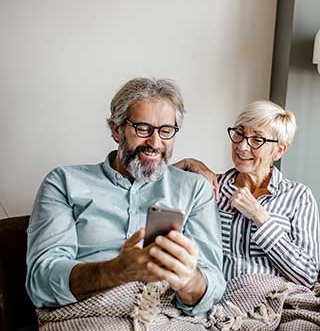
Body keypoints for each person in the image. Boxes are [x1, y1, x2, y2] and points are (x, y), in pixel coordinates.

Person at [26, 77, 226, 317]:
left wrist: (187, 280)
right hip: (89, 316)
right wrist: (116, 271)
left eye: (166, 131)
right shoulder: (64, 182)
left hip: (164, 316)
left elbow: (213, 285)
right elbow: (41, 282)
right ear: (116, 129)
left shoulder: (193, 189)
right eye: (143, 128)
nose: (155, 142)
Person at [174, 100, 320, 288]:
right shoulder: (210, 187)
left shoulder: (299, 197)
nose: (242, 146)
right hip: (215, 298)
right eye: (239, 134)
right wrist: (187, 163)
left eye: (257, 140)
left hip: (269, 301)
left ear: (279, 150)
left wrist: (261, 217)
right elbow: (148, 193)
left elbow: (307, 276)